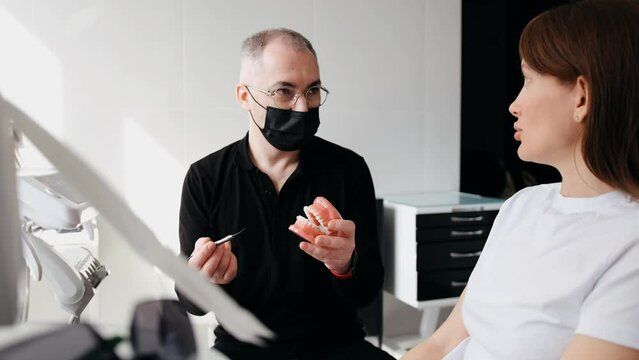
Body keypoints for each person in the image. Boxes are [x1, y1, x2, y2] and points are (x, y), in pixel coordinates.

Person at [402, 0, 639, 359]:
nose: (514, 104)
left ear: (582, 96)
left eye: (528, 80)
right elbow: (444, 341)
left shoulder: (629, 241)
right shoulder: (521, 206)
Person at [176, 28, 395, 360]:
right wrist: (201, 281)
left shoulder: (348, 169)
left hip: (336, 346)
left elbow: (366, 292)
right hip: (243, 349)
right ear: (244, 96)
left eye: (312, 91)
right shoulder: (205, 178)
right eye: (284, 91)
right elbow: (193, 305)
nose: (303, 108)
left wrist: (345, 264)